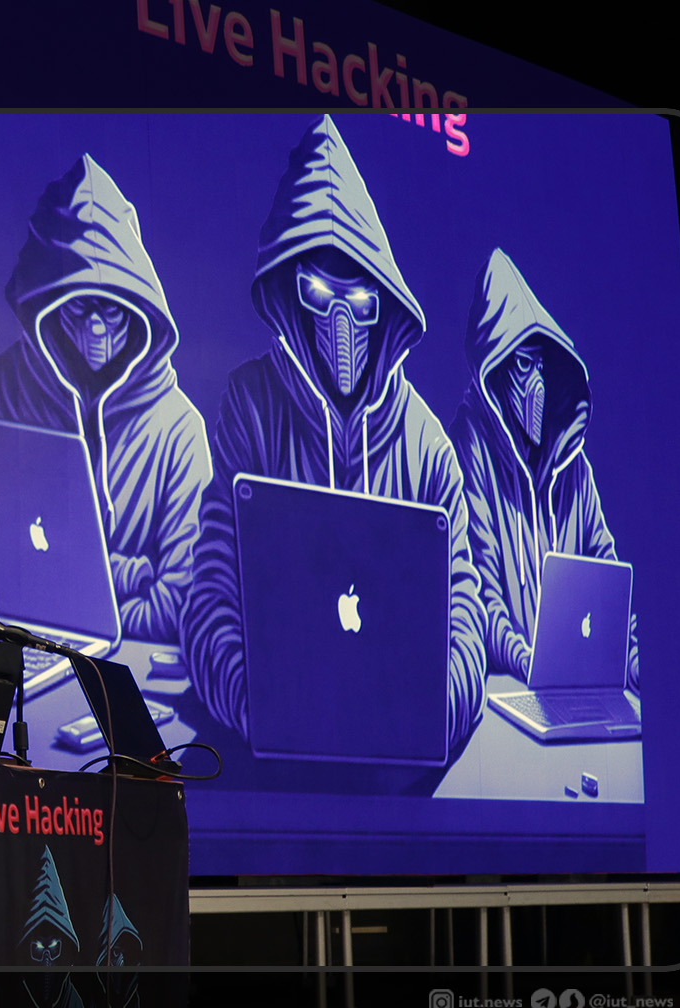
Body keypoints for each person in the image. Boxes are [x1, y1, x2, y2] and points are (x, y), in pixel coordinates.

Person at [179, 115, 487, 758]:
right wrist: (264, 711)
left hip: (402, 764)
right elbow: (211, 589)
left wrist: (424, 720)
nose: (341, 320)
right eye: (320, 292)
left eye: (361, 301)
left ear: (385, 307)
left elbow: (464, 613)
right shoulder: (252, 404)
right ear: (291, 292)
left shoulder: (427, 444)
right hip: (279, 751)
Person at [0, 154, 211, 646]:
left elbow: (183, 598)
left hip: (131, 669)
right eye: (80, 306)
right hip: (17, 652)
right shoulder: (6, 388)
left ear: (140, 311)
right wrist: (128, 573)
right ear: (49, 304)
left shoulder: (179, 428)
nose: (98, 329)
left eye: (113, 311)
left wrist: (98, 624)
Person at [450, 248, 640, 692]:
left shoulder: (571, 465)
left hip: (574, 686)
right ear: (494, 367)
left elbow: (605, 569)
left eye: (540, 365)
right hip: (506, 691)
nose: (536, 381)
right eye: (522, 363)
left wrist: (631, 659)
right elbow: (478, 588)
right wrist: (529, 661)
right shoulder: (469, 450)